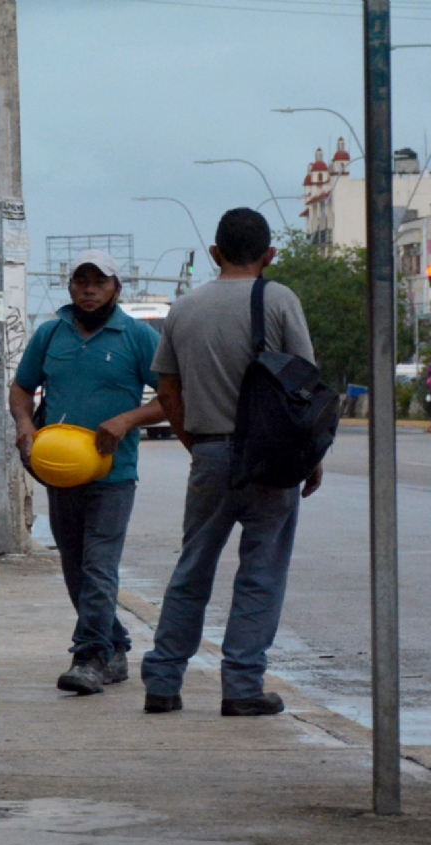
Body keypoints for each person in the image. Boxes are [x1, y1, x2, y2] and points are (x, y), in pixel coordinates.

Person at [142, 208, 323, 717]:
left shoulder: (184, 308)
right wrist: (310, 458)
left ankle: (163, 681)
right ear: (270, 255)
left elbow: (168, 390)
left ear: (215, 254)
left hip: (211, 452)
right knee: (261, 572)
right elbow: (305, 384)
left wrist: (194, 443)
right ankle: (242, 687)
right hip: (272, 458)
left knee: (193, 567)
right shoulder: (280, 299)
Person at [10, 250, 163, 695]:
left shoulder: (136, 337)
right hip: (60, 473)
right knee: (76, 569)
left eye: (100, 281)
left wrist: (127, 421)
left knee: (99, 565)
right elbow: (21, 388)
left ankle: (89, 656)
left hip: (114, 475)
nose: (90, 289)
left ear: (117, 287)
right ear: (70, 285)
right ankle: (114, 646)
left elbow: (173, 397)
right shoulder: (50, 334)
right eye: (82, 281)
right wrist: (24, 425)